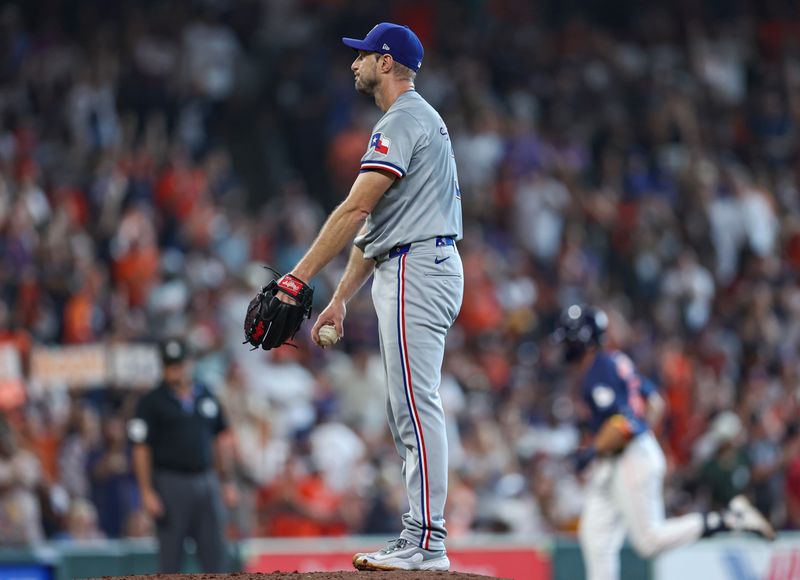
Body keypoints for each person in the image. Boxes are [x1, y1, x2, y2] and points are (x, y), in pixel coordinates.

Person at [276, 22, 463, 571]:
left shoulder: (404, 119)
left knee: (415, 404)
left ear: (386, 62)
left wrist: (298, 276)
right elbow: (377, 225)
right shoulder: (413, 120)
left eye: (361, 55)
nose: (353, 63)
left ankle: (427, 539)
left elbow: (355, 209)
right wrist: (339, 299)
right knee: (406, 404)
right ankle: (420, 534)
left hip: (417, 266)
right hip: (413, 259)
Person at [552, 304, 775, 580]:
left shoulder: (598, 370)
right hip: (622, 458)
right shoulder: (615, 360)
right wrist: (643, 440)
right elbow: (655, 403)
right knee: (595, 535)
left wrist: (596, 450)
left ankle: (730, 520)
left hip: (627, 457)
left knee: (648, 541)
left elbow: (624, 423)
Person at [128, 338, 237, 572]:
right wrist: (146, 491)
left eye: (179, 364)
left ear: (190, 363)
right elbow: (141, 448)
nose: (175, 370)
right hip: (170, 482)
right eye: (170, 365)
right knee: (170, 557)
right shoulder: (151, 402)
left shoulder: (206, 395)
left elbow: (221, 437)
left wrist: (226, 480)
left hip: (206, 479)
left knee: (215, 553)